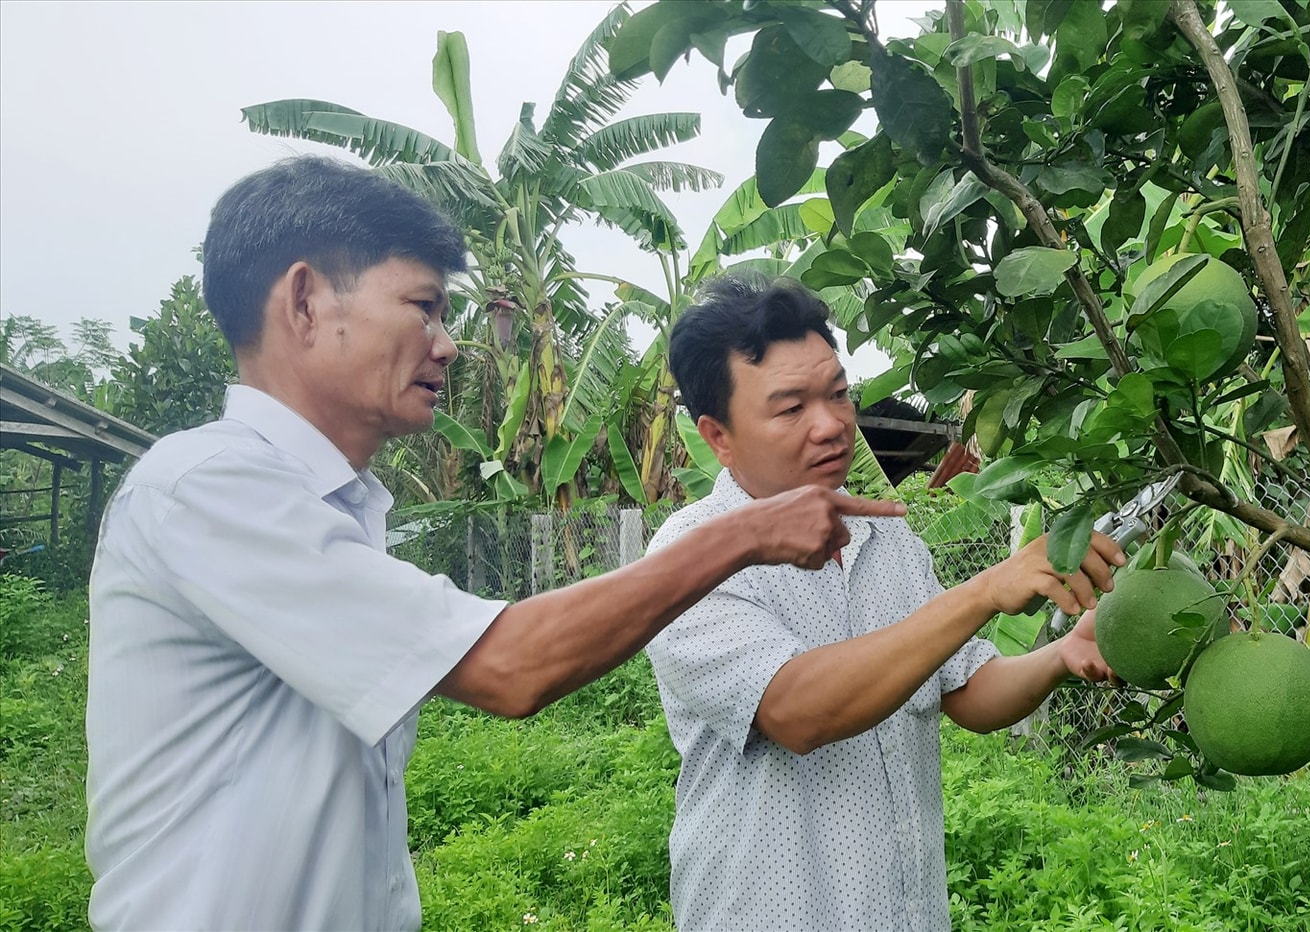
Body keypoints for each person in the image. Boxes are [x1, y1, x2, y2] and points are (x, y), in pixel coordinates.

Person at [83, 156, 902, 931]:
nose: (447, 343)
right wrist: (748, 533)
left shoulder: (334, 509)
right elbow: (511, 667)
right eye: (422, 307)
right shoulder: (207, 488)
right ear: (304, 302)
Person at [644, 274, 1126, 932]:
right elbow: (800, 710)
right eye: (791, 409)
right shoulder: (687, 560)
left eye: (838, 394)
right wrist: (984, 589)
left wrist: (1061, 656)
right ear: (718, 436)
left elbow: (964, 688)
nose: (831, 425)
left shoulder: (888, 538)